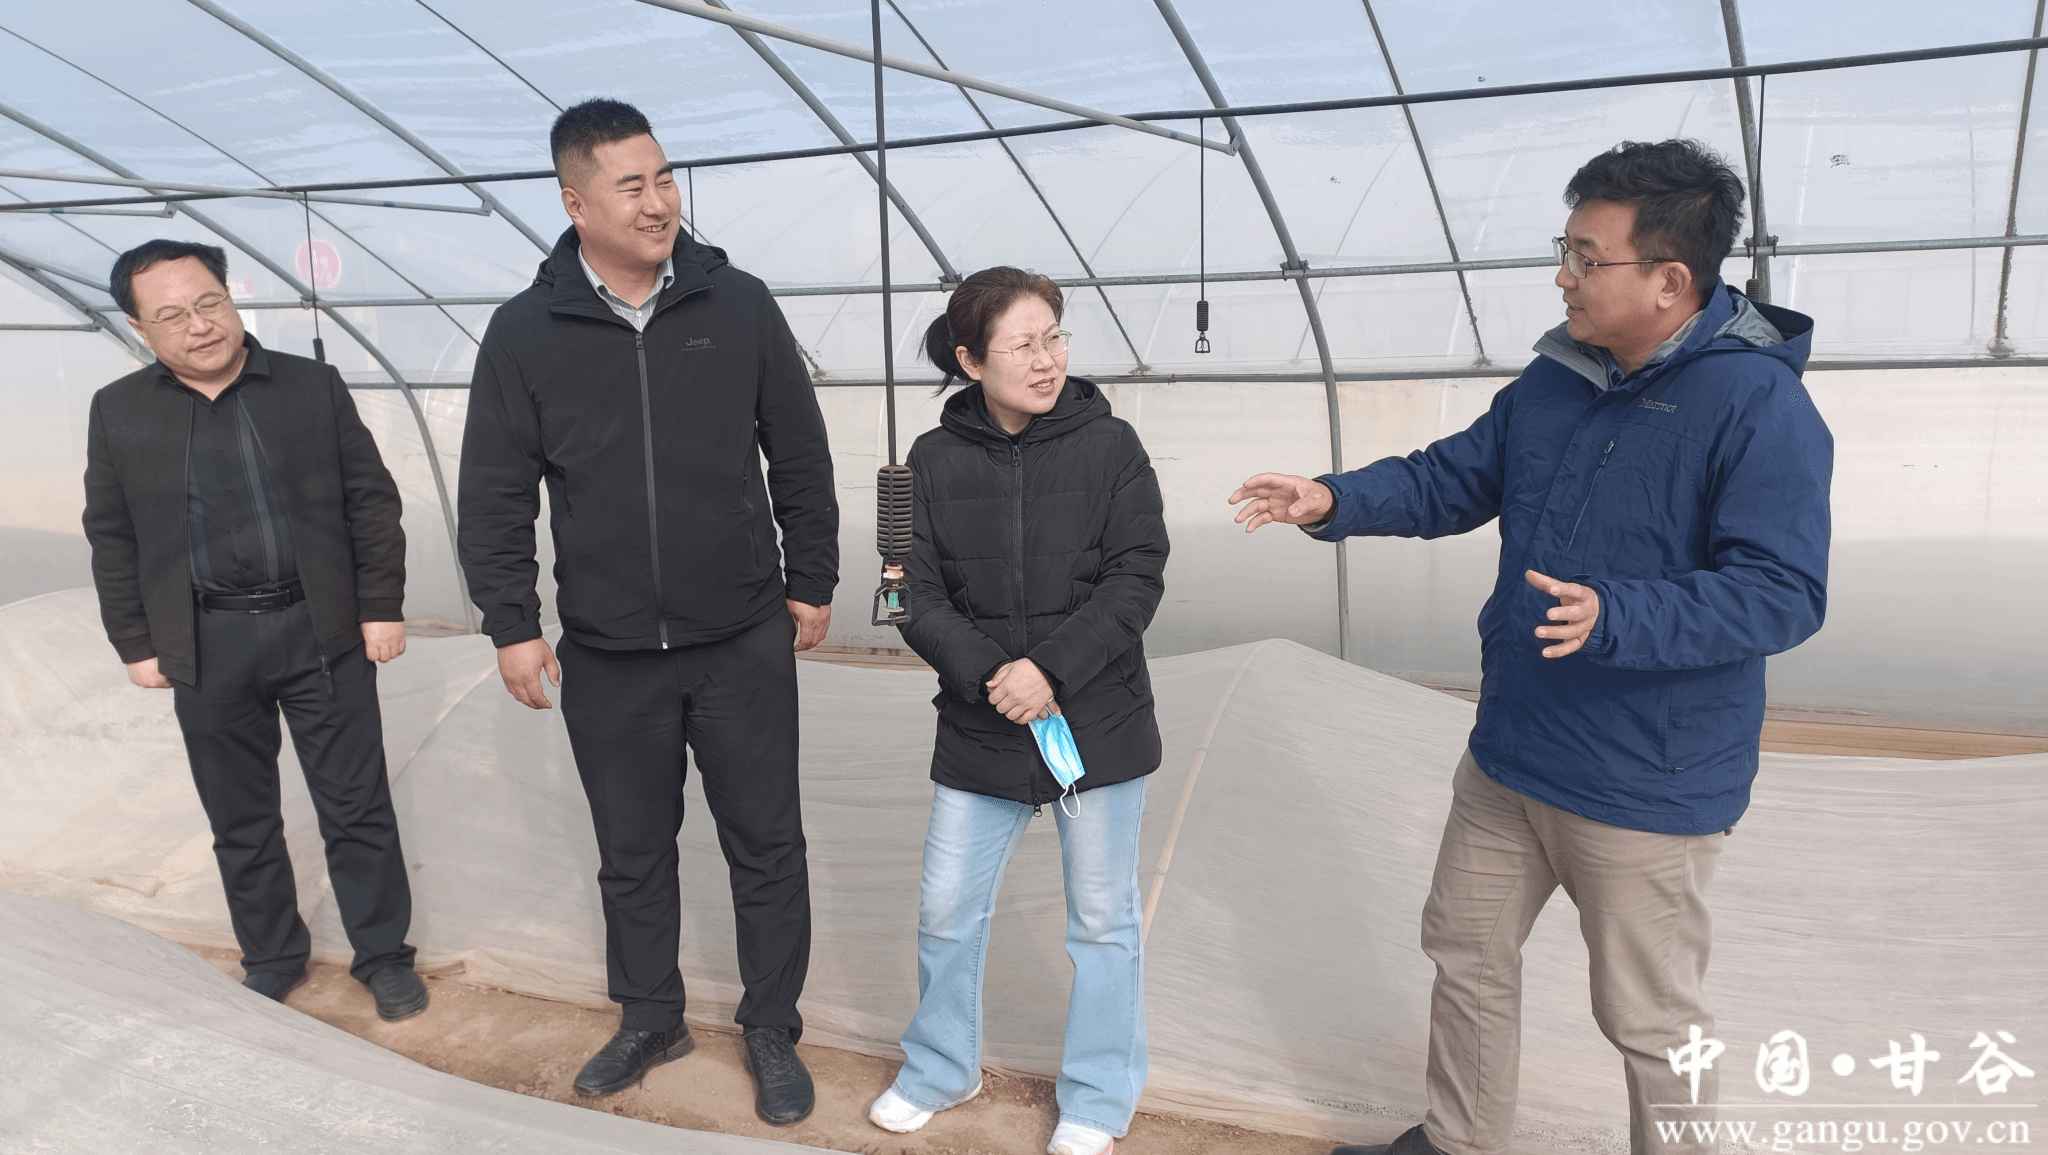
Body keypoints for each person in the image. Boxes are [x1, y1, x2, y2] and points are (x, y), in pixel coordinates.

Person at [1230, 140, 1832, 1155]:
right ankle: (1459, 1141)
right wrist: (1332, 498)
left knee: (1649, 1019)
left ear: (1668, 280)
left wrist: (1619, 615)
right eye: (1565, 251)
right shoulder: (1556, 381)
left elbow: (1782, 592)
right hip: (1512, 751)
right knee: (1465, 954)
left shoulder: (1755, 405)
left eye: (1586, 258)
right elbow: (1451, 478)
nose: (1563, 277)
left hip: (1644, 777)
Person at [457, 98, 837, 1123]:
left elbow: (797, 449)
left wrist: (811, 577)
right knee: (631, 850)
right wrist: (511, 622)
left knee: (766, 843)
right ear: (576, 203)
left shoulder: (737, 304)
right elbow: (494, 489)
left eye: (665, 178)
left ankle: (771, 1025)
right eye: (632, 185)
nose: (659, 201)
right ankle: (650, 1015)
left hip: (740, 634)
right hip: (610, 647)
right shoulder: (525, 331)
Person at [82, 239, 428, 1021]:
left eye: (209, 302)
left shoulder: (310, 386)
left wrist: (380, 605)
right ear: (140, 328)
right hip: (207, 641)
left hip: (320, 630)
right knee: (240, 817)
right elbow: (112, 533)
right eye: (172, 314)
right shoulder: (120, 410)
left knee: (356, 803)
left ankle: (384, 955)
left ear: (231, 298)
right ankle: (272, 956)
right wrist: (136, 642)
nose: (199, 324)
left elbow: (370, 500)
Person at [866, 267, 1169, 1155]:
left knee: (1104, 921)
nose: (1047, 360)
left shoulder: (1112, 446)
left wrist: (1050, 671)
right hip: (982, 721)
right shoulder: (930, 460)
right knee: (947, 909)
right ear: (970, 360)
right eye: (1022, 345)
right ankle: (940, 1067)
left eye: (1054, 338)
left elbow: (1136, 577)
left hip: (1096, 721)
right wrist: (995, 673)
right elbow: (907, 594)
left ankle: (1099, 1096)